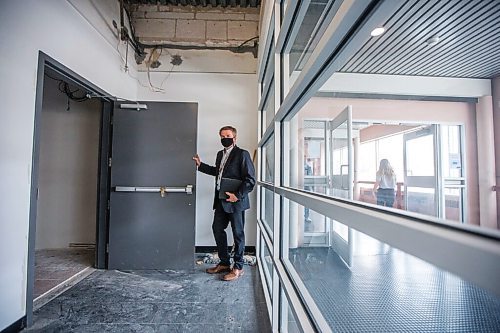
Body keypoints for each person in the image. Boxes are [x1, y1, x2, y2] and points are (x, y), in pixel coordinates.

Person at [193, 126, 255, 281]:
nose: (224, 138)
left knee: (237, 234)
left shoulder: (243, 154)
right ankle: (225, 263)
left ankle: (238, 267)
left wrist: (237, 195)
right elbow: (218, 172)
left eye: (227, 135)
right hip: (221, 200)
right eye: (221, 136)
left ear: (234, 137)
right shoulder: (220, 154)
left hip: (236, 202)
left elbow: (250, 180)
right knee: (217, 228)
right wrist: (201, 166)